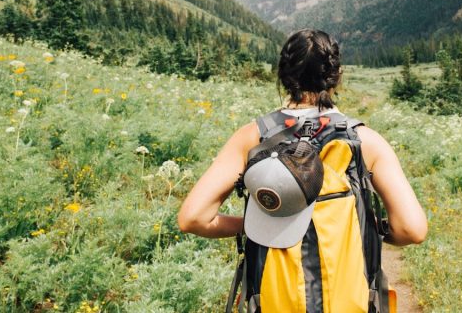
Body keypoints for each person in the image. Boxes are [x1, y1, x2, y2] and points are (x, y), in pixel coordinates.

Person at [178, 29, 427, 311]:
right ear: (337, 76)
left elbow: (193, 218)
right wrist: (369, 227)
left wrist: (254, 225)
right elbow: (412, 229)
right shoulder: (365, 141)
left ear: (283, 76)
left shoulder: (252, 137)